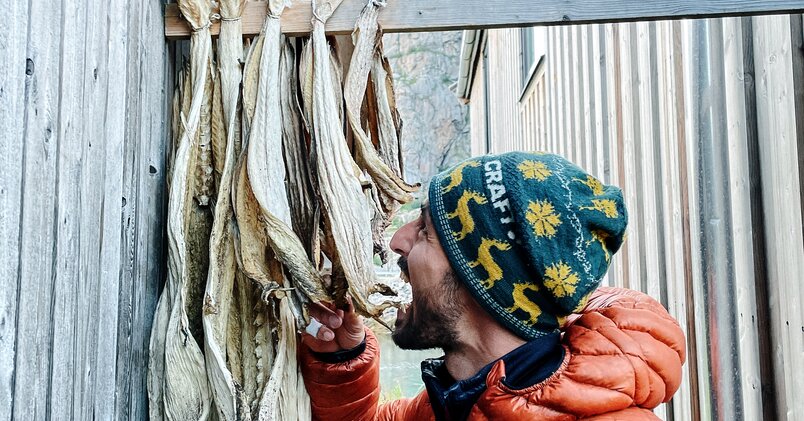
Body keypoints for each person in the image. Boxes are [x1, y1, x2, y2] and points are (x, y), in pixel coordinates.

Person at [300, 151, 686, 420]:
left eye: (426, 230)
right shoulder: (460, 401)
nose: (398, 240)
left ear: (483, 280)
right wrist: (342, 364)